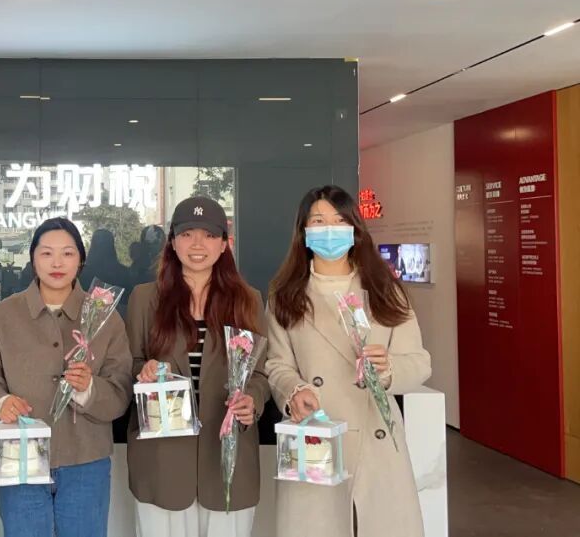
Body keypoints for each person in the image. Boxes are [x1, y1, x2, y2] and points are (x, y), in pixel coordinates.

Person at [265, 186, 431, 537]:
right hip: (315, 433)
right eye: (318, 221)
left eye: (339, 220)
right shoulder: (285, 295)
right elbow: (277, 364)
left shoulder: (385, 289)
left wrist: (388, 370)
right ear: (303, 231)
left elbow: (419, 362)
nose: (329, 229)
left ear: (355, 228)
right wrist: (294, 391)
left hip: (376, 437)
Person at [0, 217, 133, 537]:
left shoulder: (105, 317)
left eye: (67, 253)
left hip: (86, 460)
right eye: (46, 253)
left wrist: (89, 389)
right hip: (19, 458)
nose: (57, 263)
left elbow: (121, 387)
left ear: (81, 259)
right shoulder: (3, 315)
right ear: (33, 258)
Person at [126, 197, 269, 537]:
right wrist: (144, 371)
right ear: (173, 242)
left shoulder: (247, 300)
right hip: (162, 457)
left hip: (227, 456)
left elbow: (260, 373)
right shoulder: (145, 299)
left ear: (224, 244)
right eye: (187, 234)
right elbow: (128, 363)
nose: (197, 244)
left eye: (209, 235)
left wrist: (252, 401)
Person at [79, 228, 132, 311]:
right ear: (112, 246)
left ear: (93, 245)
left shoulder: (82, 273)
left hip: (87, 315)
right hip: (119, 316)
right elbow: (128, 300)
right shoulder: (124, 273)